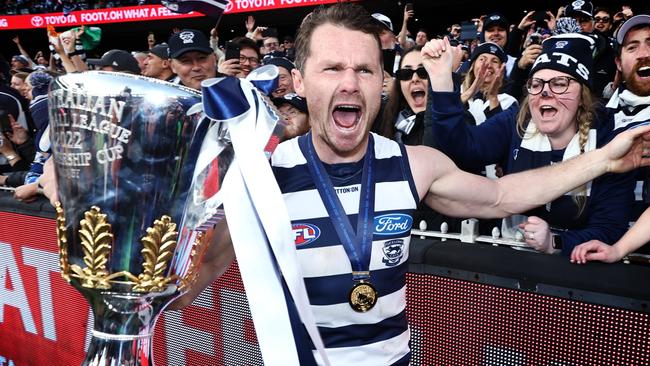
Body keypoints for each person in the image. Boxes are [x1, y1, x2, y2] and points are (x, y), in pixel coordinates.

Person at [42, 4, 650, 365]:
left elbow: (504, 195)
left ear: (382, 83)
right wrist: (112, 215)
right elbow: (191, 277)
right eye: (333, 67)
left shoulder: (413, 164)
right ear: (301, 81)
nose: (351, 82)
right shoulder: (262, 181)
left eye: (365, 69)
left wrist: (605, 160)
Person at [428, 33, 639, 255]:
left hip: (578, 276)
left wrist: (556, 242)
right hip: (511, 257)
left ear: (583, 96)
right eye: (537, 84)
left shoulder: (609, 135)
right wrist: (443, 81)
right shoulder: (517, 120)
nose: (545, 93)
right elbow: (461, 147)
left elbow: (609, 228)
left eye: (560, 83)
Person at [571, 15, 650, 263]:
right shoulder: (597, 117)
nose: (643, 53)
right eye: (632, 47)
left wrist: (619, 248)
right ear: (618, 61)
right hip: (600, 253)